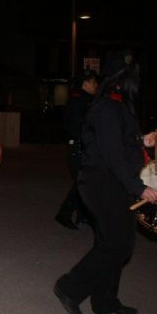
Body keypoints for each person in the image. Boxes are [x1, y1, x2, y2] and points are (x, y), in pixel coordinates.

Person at [54, 50, 157, 314]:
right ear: (121, 80)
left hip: (111, 183)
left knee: (111, 242)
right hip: (102, 183)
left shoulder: (117, 104)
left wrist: (141, 140)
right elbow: (112, 155)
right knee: (118, 244)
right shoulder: (108, 107)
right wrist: (138, 188)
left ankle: (104, 300)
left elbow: (120, 141)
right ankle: (69, 287)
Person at [54, 70, 98, 230]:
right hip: (79, 147)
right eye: (93, 82)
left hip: (84, 147)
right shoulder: (78, 101)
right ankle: (64, 213)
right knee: (82, 183)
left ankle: (82, 215)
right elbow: (78, 125)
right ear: (85, 84)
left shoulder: (88, 100)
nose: (96, 85)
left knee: (84, 182)